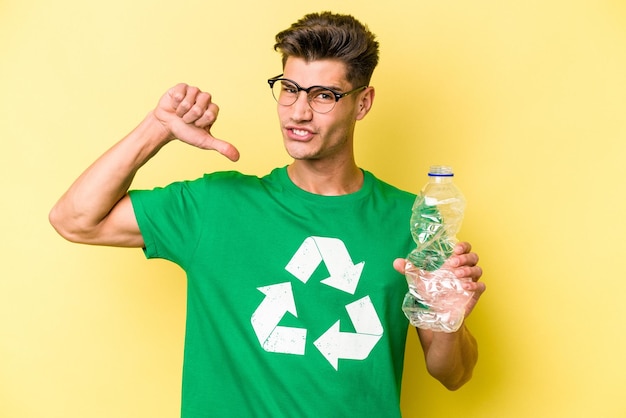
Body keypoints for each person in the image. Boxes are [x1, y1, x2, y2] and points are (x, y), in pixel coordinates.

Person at [49, 11, 486, 417]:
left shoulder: (414, 219)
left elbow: (453, 374)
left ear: (363, 102)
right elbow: (74, 218)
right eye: (290, 89)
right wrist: (158, 128)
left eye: (324, 96)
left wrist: (449, 317)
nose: (298, 111)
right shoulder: (215, 206)